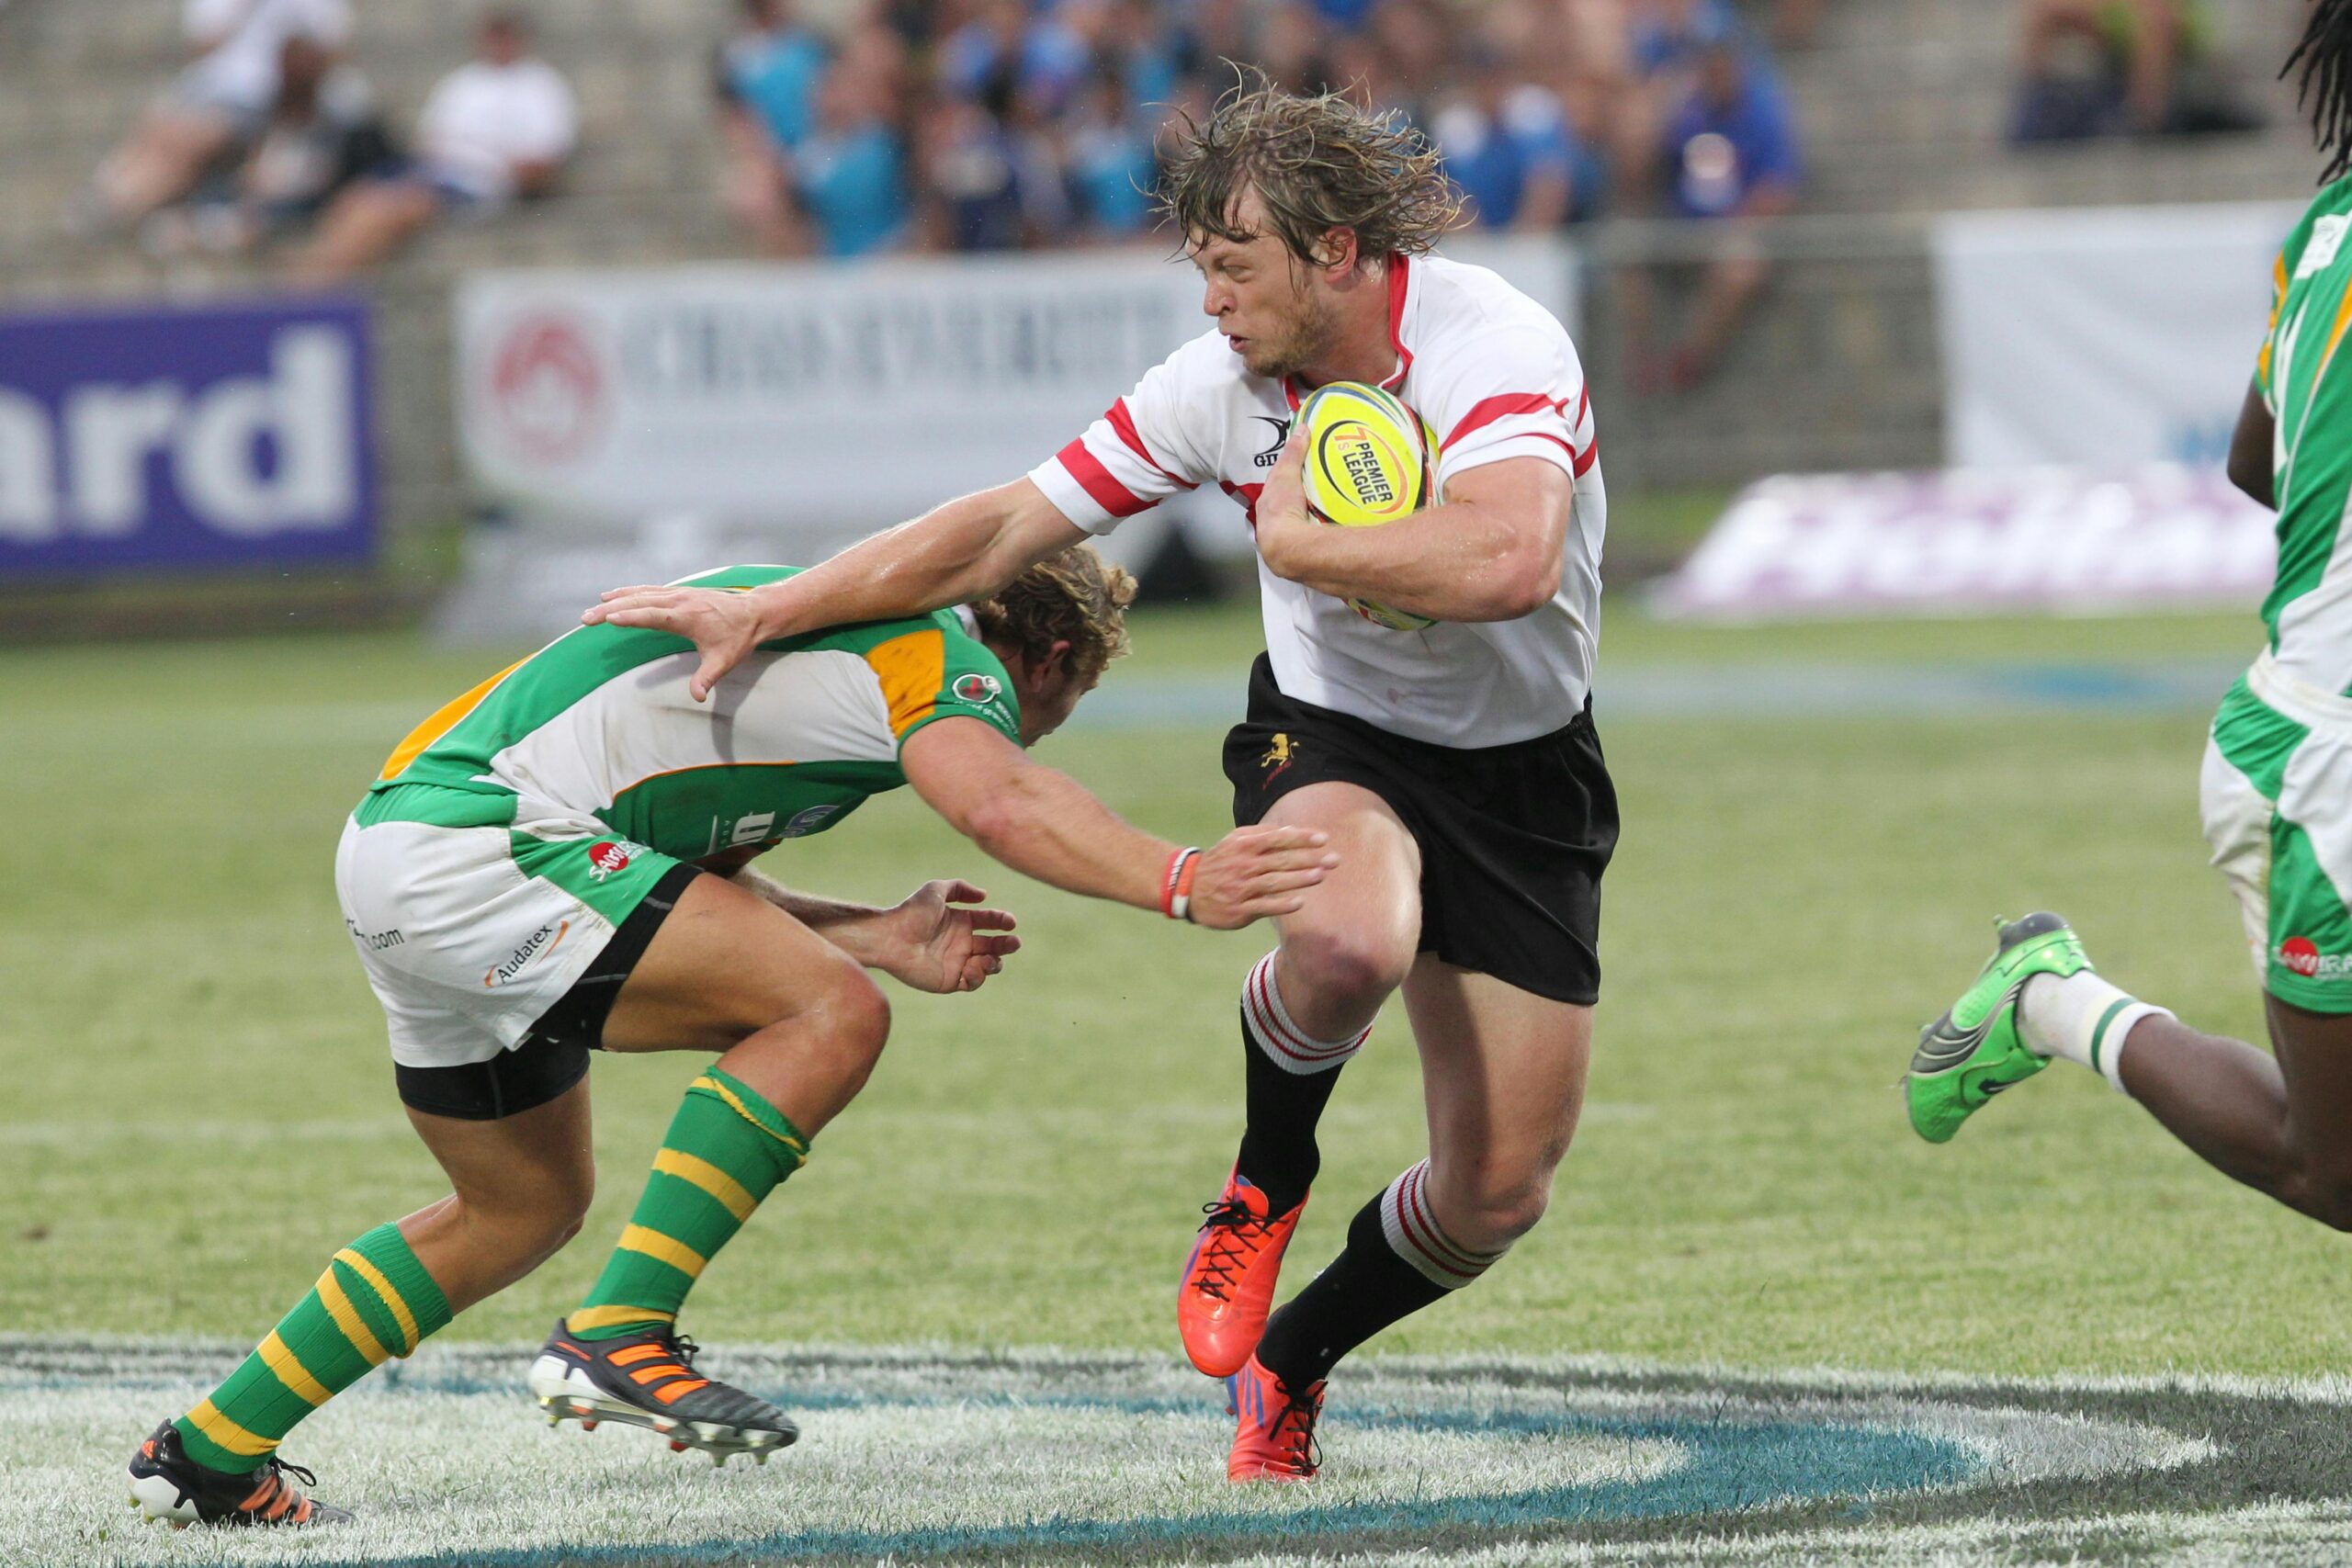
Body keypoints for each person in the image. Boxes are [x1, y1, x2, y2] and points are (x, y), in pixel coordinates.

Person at [586, 74, 1611, 1484]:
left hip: (1525, 770)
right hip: (1337, 733)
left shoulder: (1495, 342)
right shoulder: (1218, 390)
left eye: (1232, 265)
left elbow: (1511, 560)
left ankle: (1290, 1358)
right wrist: (781, 603)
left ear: (1335, 250)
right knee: (1347, 931)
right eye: (1198, 267)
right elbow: (1004, 525)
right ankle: (1264, 1178)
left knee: (1498, 1189)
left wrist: (1302, 548)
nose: (1210, 302)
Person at [124, 549, 1336, 1527]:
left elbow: (681, 890)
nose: (1044, 722)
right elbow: (1002, 801)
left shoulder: (827, 666)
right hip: (482, 846)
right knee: (830, 1016)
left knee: (520, 1205)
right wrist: (1181, 876)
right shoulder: (942, 653)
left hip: (414, 851)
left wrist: (866, 929)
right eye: (1065, 697)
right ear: (1054, 655)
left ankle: (217, 1448)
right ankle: (620, 1328)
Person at [1906, 0, 2352, 1279]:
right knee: (2337, 1171)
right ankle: (2051, 1000)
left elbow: (2254, 458)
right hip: (2324, 767)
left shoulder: (2323, 228)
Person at [286, 8, 577, 288]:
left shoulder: (542, 86)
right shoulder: (462, 82)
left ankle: (313, 287)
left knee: (387, 209)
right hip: (433, 170)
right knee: (355, 197)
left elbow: (543, 161)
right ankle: (314, 278)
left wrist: (488, 160)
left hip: (478, 182)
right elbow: (426, 140)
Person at [81, 0, 353, 231]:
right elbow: (204, 44)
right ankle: (114, 200)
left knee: (186, 137)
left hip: (262, 98)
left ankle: (118, 206)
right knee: (162, 130)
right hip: (214, 90)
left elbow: (326, 51)